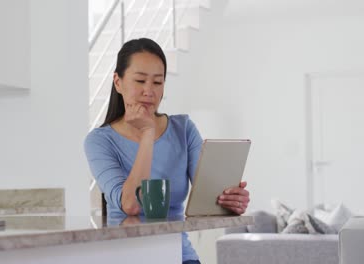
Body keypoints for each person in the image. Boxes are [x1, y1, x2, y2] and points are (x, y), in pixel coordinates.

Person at [84, 38, 250, 264]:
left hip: (179, 256)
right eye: (140, 80)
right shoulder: (99, 141)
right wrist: (147, 134)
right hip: (126, 257)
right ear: (118, 82)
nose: (149, 91)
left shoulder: (184, 129)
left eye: (157, 82)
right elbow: (131, 204)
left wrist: (230, 201)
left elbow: (207, 198)